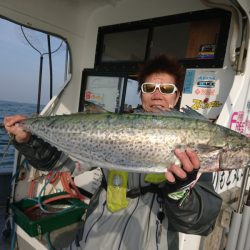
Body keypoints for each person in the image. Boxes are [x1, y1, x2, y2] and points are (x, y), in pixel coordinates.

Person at [4, 55, 222, 250]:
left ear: (176, 97)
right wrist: (28, 139)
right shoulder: (117, 127)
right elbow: (58, 162)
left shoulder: (195, 140)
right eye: (149, 88)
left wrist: (181, 189)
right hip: (97, 238)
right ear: (140, 94)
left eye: (166, 89)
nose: (157, 95)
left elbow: (199, 222)